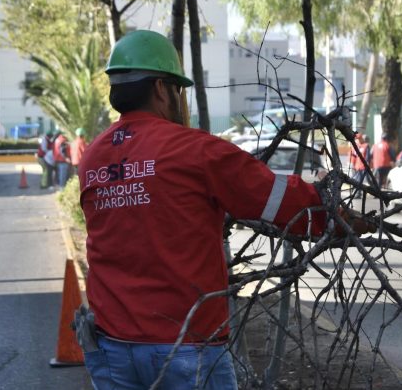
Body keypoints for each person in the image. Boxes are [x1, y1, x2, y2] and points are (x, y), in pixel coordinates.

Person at [76, 30, 371, 390]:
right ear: (160, 89)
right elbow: (276, 198)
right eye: (176, 91)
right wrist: (338, 219)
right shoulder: (194, 150)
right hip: (184, 348)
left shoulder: (92, 157)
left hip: (112, 348)